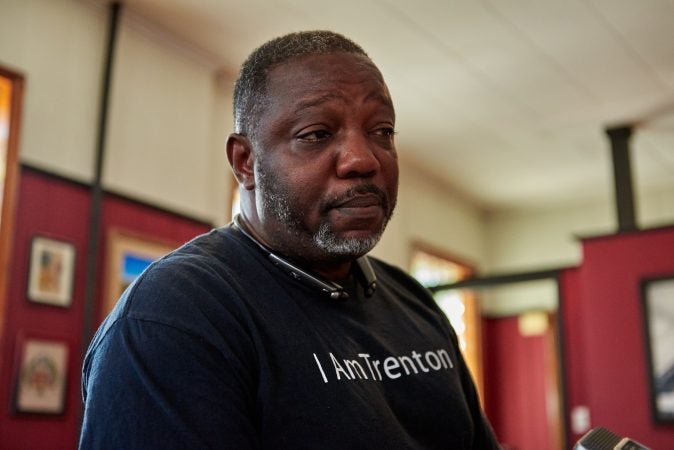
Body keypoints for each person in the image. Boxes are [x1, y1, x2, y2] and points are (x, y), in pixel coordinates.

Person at [79, 30, 500, 449]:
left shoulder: (412, 301)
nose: (363, 159)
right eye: (316, 133)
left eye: (382, 131)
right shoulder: (177, 315)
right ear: (246, 162)